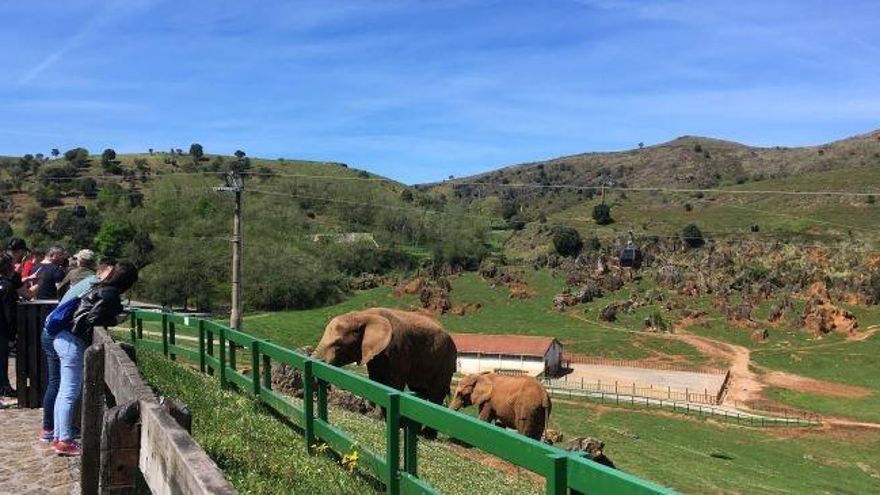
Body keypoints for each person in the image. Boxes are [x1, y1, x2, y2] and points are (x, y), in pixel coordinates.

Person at [52, 261, 138, 456]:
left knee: (64, 391)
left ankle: (59, 436)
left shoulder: (100, 286)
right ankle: (64, 441)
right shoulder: (110, 294)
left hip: (64, 338)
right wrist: (115, 320)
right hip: (72, 342)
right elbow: (93, 319)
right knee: (69, 392)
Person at [40, 257, 116, 443]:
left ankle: (53, 431)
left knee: (59, 386)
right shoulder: (93, 284)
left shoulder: (86, 281)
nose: (113, 277)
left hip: (53, 329)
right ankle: (61, 435)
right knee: (64, 387)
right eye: (111, 272)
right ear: (102, 270)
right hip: (61, 334)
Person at [0, 254, 18, 397]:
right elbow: (9, 313)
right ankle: (4, 386)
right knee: (2, 359)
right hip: (2, 328)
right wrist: (13, 334)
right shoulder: (7, 286)